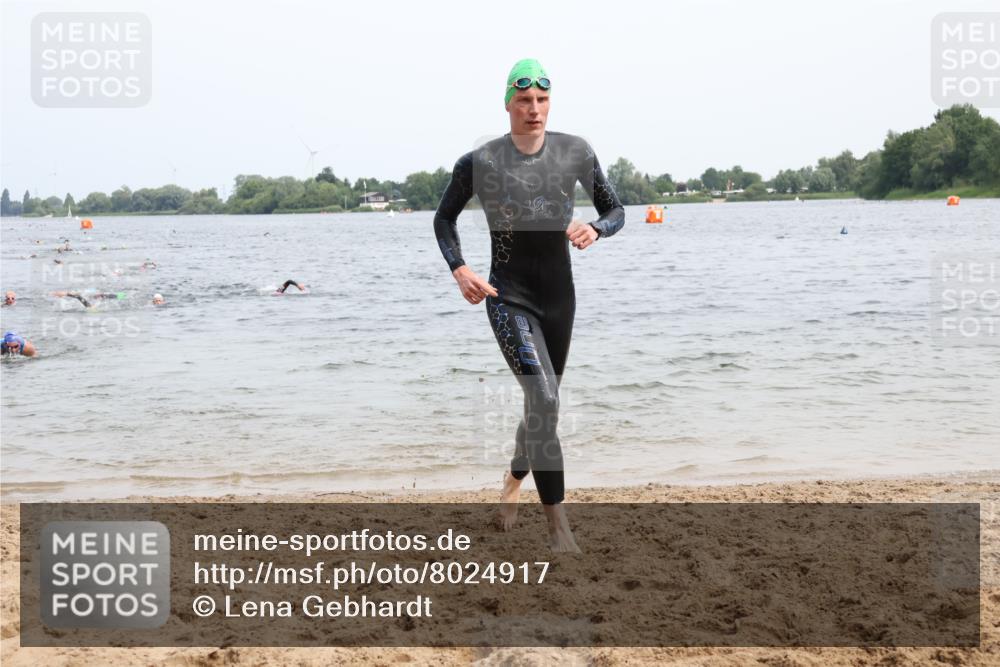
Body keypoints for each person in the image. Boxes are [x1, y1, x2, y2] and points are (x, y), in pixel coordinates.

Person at [433, 58, 624, 551]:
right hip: (507, 296)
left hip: (560, 298)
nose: (534, 110)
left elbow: (615, 208)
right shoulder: (481, 162)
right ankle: (560, 530)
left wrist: (597, 228)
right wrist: (460, 268)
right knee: (544, 399)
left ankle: (513, 483)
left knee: (544, 407)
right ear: (507, 104)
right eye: (524, 101)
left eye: (541, 100)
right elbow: (444, 219)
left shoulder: (575, 151)